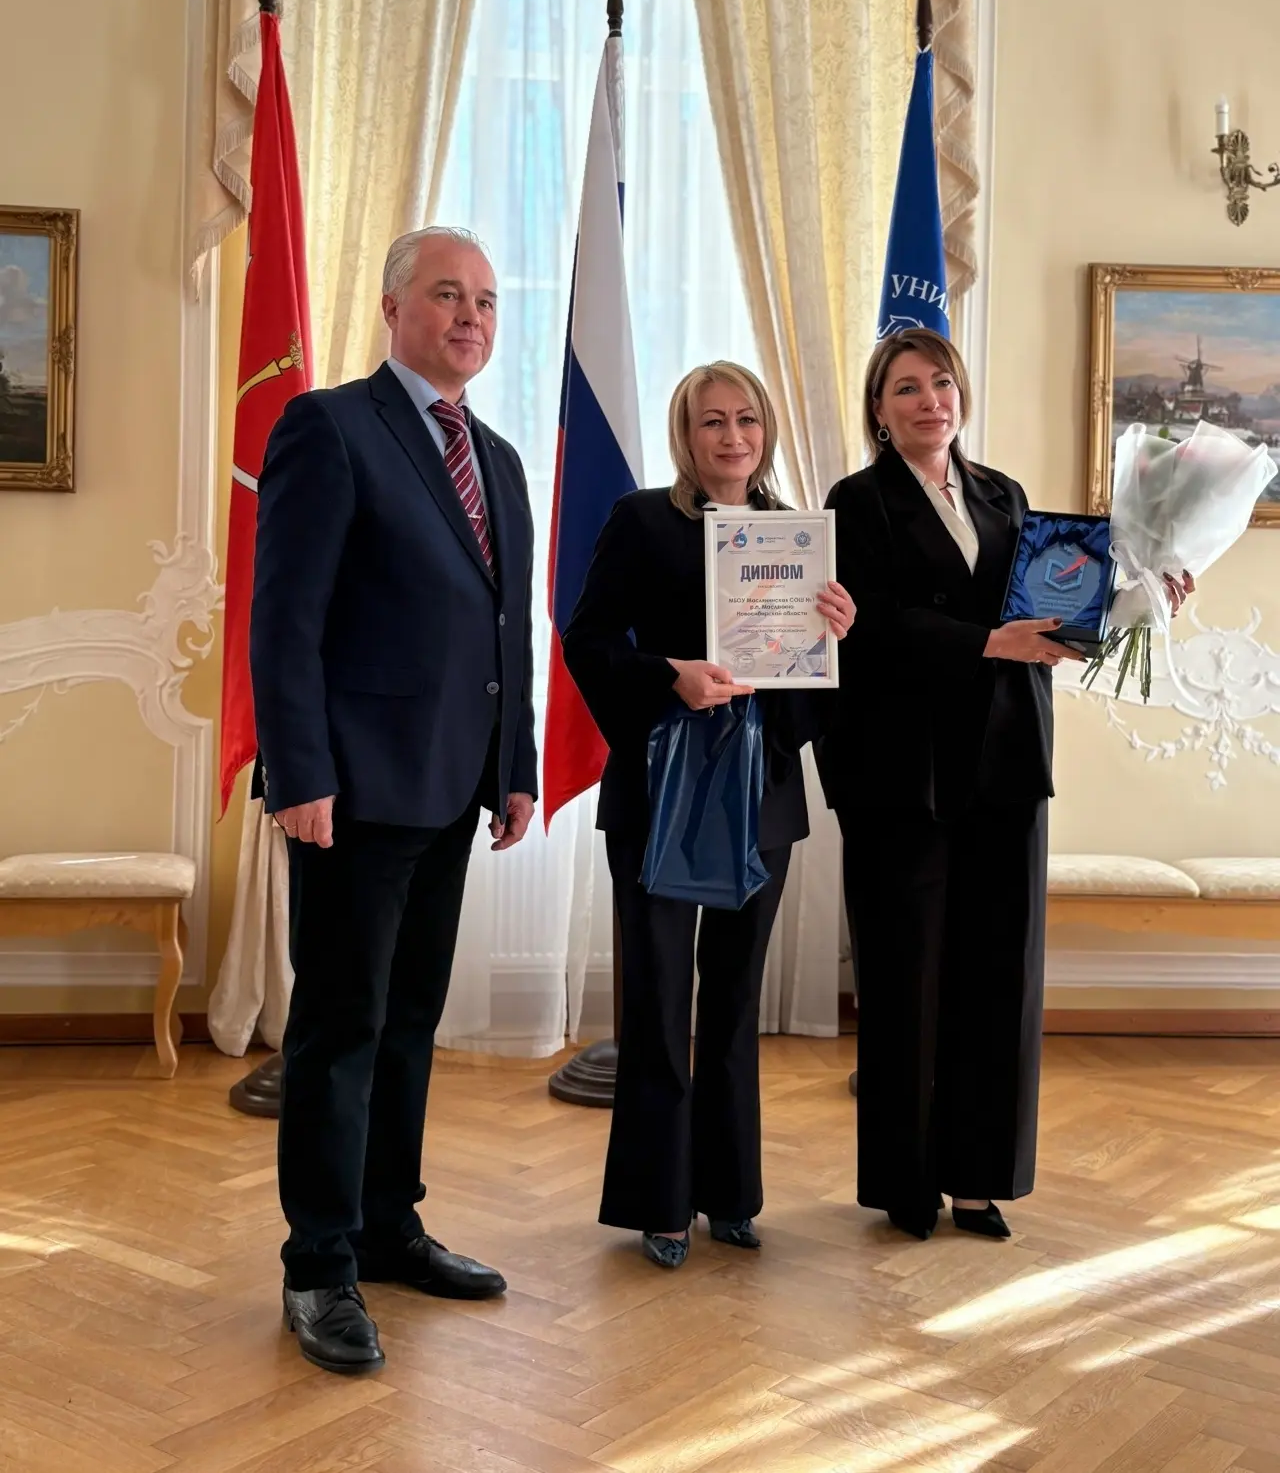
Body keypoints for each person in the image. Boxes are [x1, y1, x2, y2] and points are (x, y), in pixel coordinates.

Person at [817, 328, 1187, 1242]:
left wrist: (1141, 601)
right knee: (905, 979)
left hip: (1006, 759)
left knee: (998, 975)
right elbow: (868, 628)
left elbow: (1050, 619)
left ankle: (979, 1180)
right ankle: (906, 1185)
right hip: (901, 771)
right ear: (879, 410)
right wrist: (986, 642)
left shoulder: (1004, 495)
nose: (929, 401)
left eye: (941, 383)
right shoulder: (855, 501)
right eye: (907, 388)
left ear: (961, 394)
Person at [251, 226, 537, 1373]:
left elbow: (508, 630)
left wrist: (513, 764)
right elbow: (285, 619)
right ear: (391, 307)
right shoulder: (327, 426)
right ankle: (318, 1265)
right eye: (446, 294)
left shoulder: (498, 456)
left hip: (452, 785)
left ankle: (386, 1226)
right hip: (353, 790)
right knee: (339, 1031)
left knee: (410, 1020)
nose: (469, 316)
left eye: (485, 300)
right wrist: (299, 773)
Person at [562, 362, 854, 1268]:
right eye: (712, 422)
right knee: (657, 1000)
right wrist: (669, 678)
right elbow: (587, 642)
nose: (733, 438)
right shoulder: (641, 520)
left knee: (733, 1001)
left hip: (762, 794)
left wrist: (833, 638)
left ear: (766, 433)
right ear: (685, 436)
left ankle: (729, 1194)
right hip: (661, 789)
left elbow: (818, 693)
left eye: (747, 421)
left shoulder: (798, 536)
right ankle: (658, 1202)